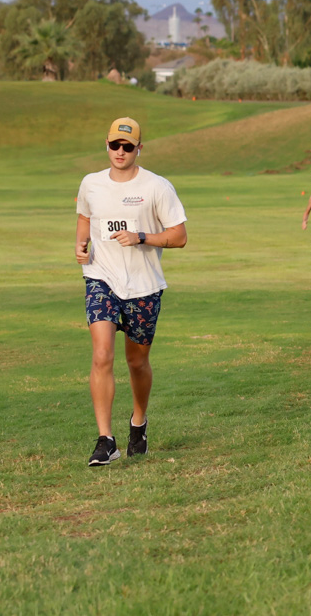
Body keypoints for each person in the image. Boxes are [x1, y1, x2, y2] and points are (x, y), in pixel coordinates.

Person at [75, 117, 188, 466]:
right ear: (106, 144)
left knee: (136, 362)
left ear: (139, 148)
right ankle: (105, 440)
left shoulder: (157, 186)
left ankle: (138, 422)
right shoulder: (90, 184)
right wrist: (81, 245)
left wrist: (141, 236)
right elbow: (84, 219)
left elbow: (179, 236)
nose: (120, 152)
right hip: (101, 278)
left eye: (128, 146)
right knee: (102, 355)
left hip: (143, 285)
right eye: (115, 145)